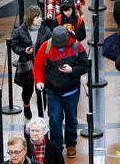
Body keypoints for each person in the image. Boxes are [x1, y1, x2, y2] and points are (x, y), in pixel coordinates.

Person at [33, 25, 89, 156]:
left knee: (72, 119)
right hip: (53, 92)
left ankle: (71, 144)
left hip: (72, 91)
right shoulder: (46, 47)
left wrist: (72, 70)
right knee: (55, 121)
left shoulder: (77, 46)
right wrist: (39, 81)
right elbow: (38, 67)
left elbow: (85, 66)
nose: (58, 47)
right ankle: (57, 147)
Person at [12, 5, 51, 119]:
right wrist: (24, 50)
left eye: (40, 16)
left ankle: (41, 115)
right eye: (37, 17)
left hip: (41, 65)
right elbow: (14, 46)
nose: (40, 19)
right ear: (30, 18)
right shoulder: (20, 31)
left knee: (41, 92)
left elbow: (50, 46)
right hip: (27, 64)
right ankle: (26, 105)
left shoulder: (46, 30)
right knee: (27, 90)